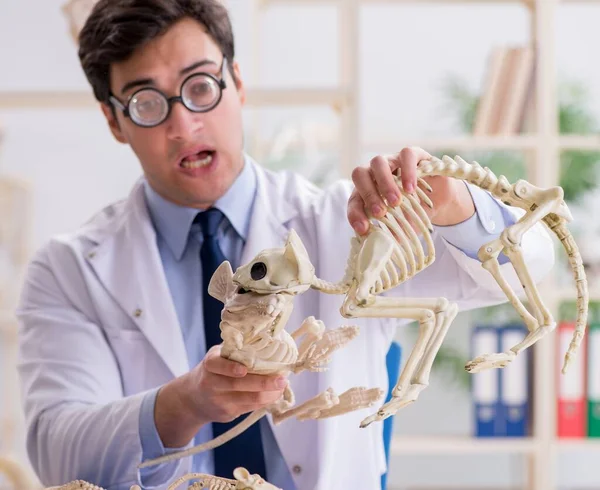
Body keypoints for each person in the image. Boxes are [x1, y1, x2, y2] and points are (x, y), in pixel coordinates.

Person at [15, 1, 555, 489]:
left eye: (201, 85)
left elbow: (534, 267)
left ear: (238, 83)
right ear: (114, 121)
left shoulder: (347, 225)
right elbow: (57, 454)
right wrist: (184, 403)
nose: (183, 124)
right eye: (145, 102)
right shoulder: (68, 269)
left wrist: (456, 204)